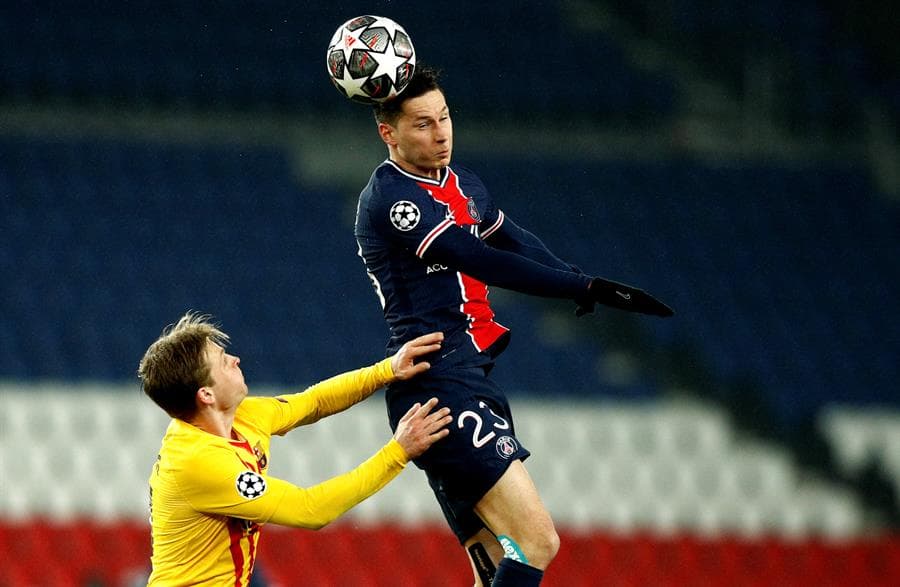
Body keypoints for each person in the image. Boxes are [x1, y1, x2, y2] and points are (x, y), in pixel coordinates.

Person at [354, 65, 673, 586]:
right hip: (437, 383)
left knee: (495, 568)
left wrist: (576, 276)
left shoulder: (462, 184)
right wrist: (576, 288)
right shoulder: (395, 201)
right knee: (536, 542)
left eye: (445, 118)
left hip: (466, 377)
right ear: (387, 132)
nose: (441, 135)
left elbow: (508, 236)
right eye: (422, 125)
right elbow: (480, 259)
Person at [138, 311, 452, 586]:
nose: (235, 359)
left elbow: (313, 401)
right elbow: (309, 509)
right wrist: (398, 452)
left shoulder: (243, 416)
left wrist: (388, 370)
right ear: (206, 395)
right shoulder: (197, 462)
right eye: (223, 361)